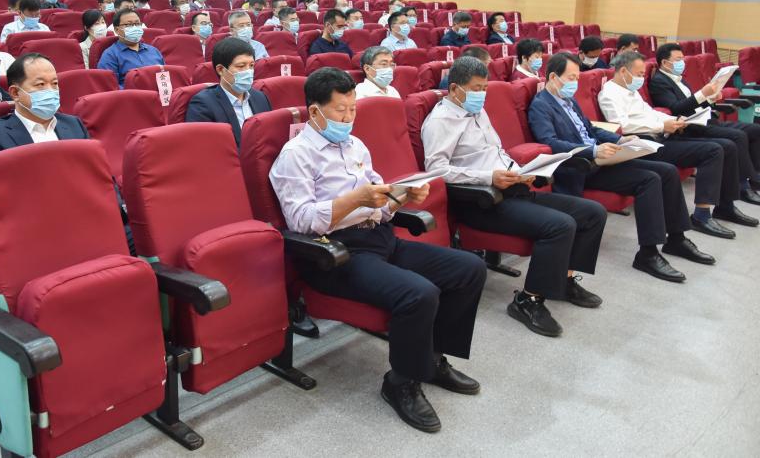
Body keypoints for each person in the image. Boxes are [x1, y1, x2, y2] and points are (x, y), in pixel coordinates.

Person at [270, 67, 486, 433]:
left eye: (353, 109)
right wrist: (355, 199)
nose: (348, 118)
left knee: (469, 269)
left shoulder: (355, 146)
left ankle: (432, 359)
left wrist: (401, 197)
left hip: (380, 238)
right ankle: (401, 381)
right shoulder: (295, 155)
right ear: (315, 111)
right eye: (340, 110)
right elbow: (301, 221)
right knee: (419, 293)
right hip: (335, 254)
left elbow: (380, 205)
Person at [422, 56, 607, 337]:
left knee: (592, 213)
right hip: (482, 200)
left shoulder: (477, 111)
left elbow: (496, 153)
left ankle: (565, 279)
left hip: (512, 187)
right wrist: (489, 178)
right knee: (560, 225)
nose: (482, 94)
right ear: (455, 88)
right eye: (476, 88)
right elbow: (436, 170)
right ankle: (528, 301)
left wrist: (522, 172)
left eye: (485, 87)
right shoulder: (440, 121)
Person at [528, 53, 714, 282]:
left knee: (666, 171)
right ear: (553, 77)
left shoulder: (569, 100)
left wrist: (619, 139)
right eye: (571, 78)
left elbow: (590, 129)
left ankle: (677, 238)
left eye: (577, 78)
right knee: (649, 180)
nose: (575, 83)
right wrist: (593, 150)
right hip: (582, 166)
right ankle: (648, 253)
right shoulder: (541, 105)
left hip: (604, 158)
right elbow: (550, 142)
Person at [598, 52, 756, 238]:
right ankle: (701, 216)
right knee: (713, 150)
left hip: (663, 135)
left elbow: (651, 113)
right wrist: (661, 125)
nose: (641, 78)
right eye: (639, 74)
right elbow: (621, 126)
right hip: (645, 144)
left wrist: (674, 119)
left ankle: (726, 206)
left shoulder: (630, 90)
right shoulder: (609, 94)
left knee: (726, 146)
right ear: (624, 71)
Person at [649, 43, 760, 205]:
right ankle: (744, 185)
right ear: (665, 62)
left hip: (705, 119)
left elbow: (693, 104)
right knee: (737, 136)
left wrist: (710, 99)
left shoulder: (680, 79)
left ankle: (755, 176)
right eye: (678, 59)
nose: (682, 63)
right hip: (690, 127)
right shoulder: (659, 82)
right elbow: (676, 108)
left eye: (683, 59)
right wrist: (702, 94)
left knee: (755, 129)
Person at [0, 53, 89, 162]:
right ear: (15, 93)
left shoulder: (74, 124)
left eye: (54, 83)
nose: (50, 90)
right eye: (40, 84)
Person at [186, 37, 271, 147]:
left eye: (251, 66)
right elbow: (204, 147)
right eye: (241, 66)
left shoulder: (260, 98)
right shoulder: (203, 104)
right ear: (221, 70)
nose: (248, 71)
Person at [97, 8, 164, 88]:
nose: (134, 28)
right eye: (128, 25)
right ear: (117, 30)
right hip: (131, 94)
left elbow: (165, 77)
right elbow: (110, 86)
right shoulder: (110, 55)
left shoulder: (154, 51)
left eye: (137, 24)